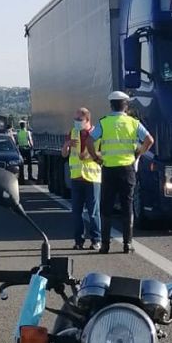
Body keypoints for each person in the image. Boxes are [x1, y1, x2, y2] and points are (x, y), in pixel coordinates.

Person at [88, 92, 154, 254]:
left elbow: (89, 140)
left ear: (111, 105)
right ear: (126, 105)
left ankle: (105, 245)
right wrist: (138, 152)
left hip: (109, 169)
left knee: (106, 207)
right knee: (127, 206)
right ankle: (128, 244)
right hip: (127, 169)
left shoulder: (104, 123)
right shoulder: (133, 122)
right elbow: (149, 140)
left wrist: (96, 157)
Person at [62, 107, 101, 251]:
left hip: (92, 178)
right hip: (77, 178)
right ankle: (79, 241)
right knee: (76, 212)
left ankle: (96, 240)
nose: (76, 122)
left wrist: (90, 155)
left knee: (93, 212)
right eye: (75, 119)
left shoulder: (97, 133)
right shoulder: (73, 132)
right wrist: (66, 145)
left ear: (87, 120)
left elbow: (104, 152)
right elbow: (64, 155)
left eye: (79, 119)